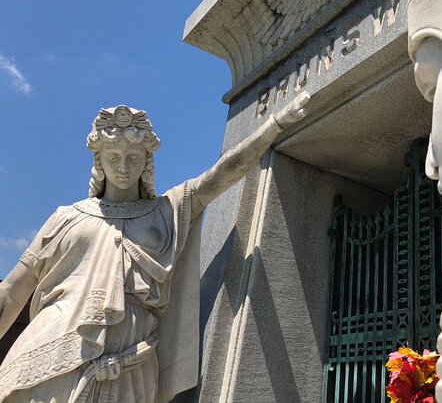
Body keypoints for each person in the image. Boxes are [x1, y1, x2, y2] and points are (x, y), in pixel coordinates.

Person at [0, 92, 309, 403]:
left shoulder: (168, 210)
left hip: (129, 364)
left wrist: (273, 124)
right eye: (113, 157)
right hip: (49, 353)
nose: (123, 167)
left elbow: (222, 173)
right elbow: (12, 291)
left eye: (133, 158)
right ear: (99, 160)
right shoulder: (66, 217)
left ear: (147, 160)